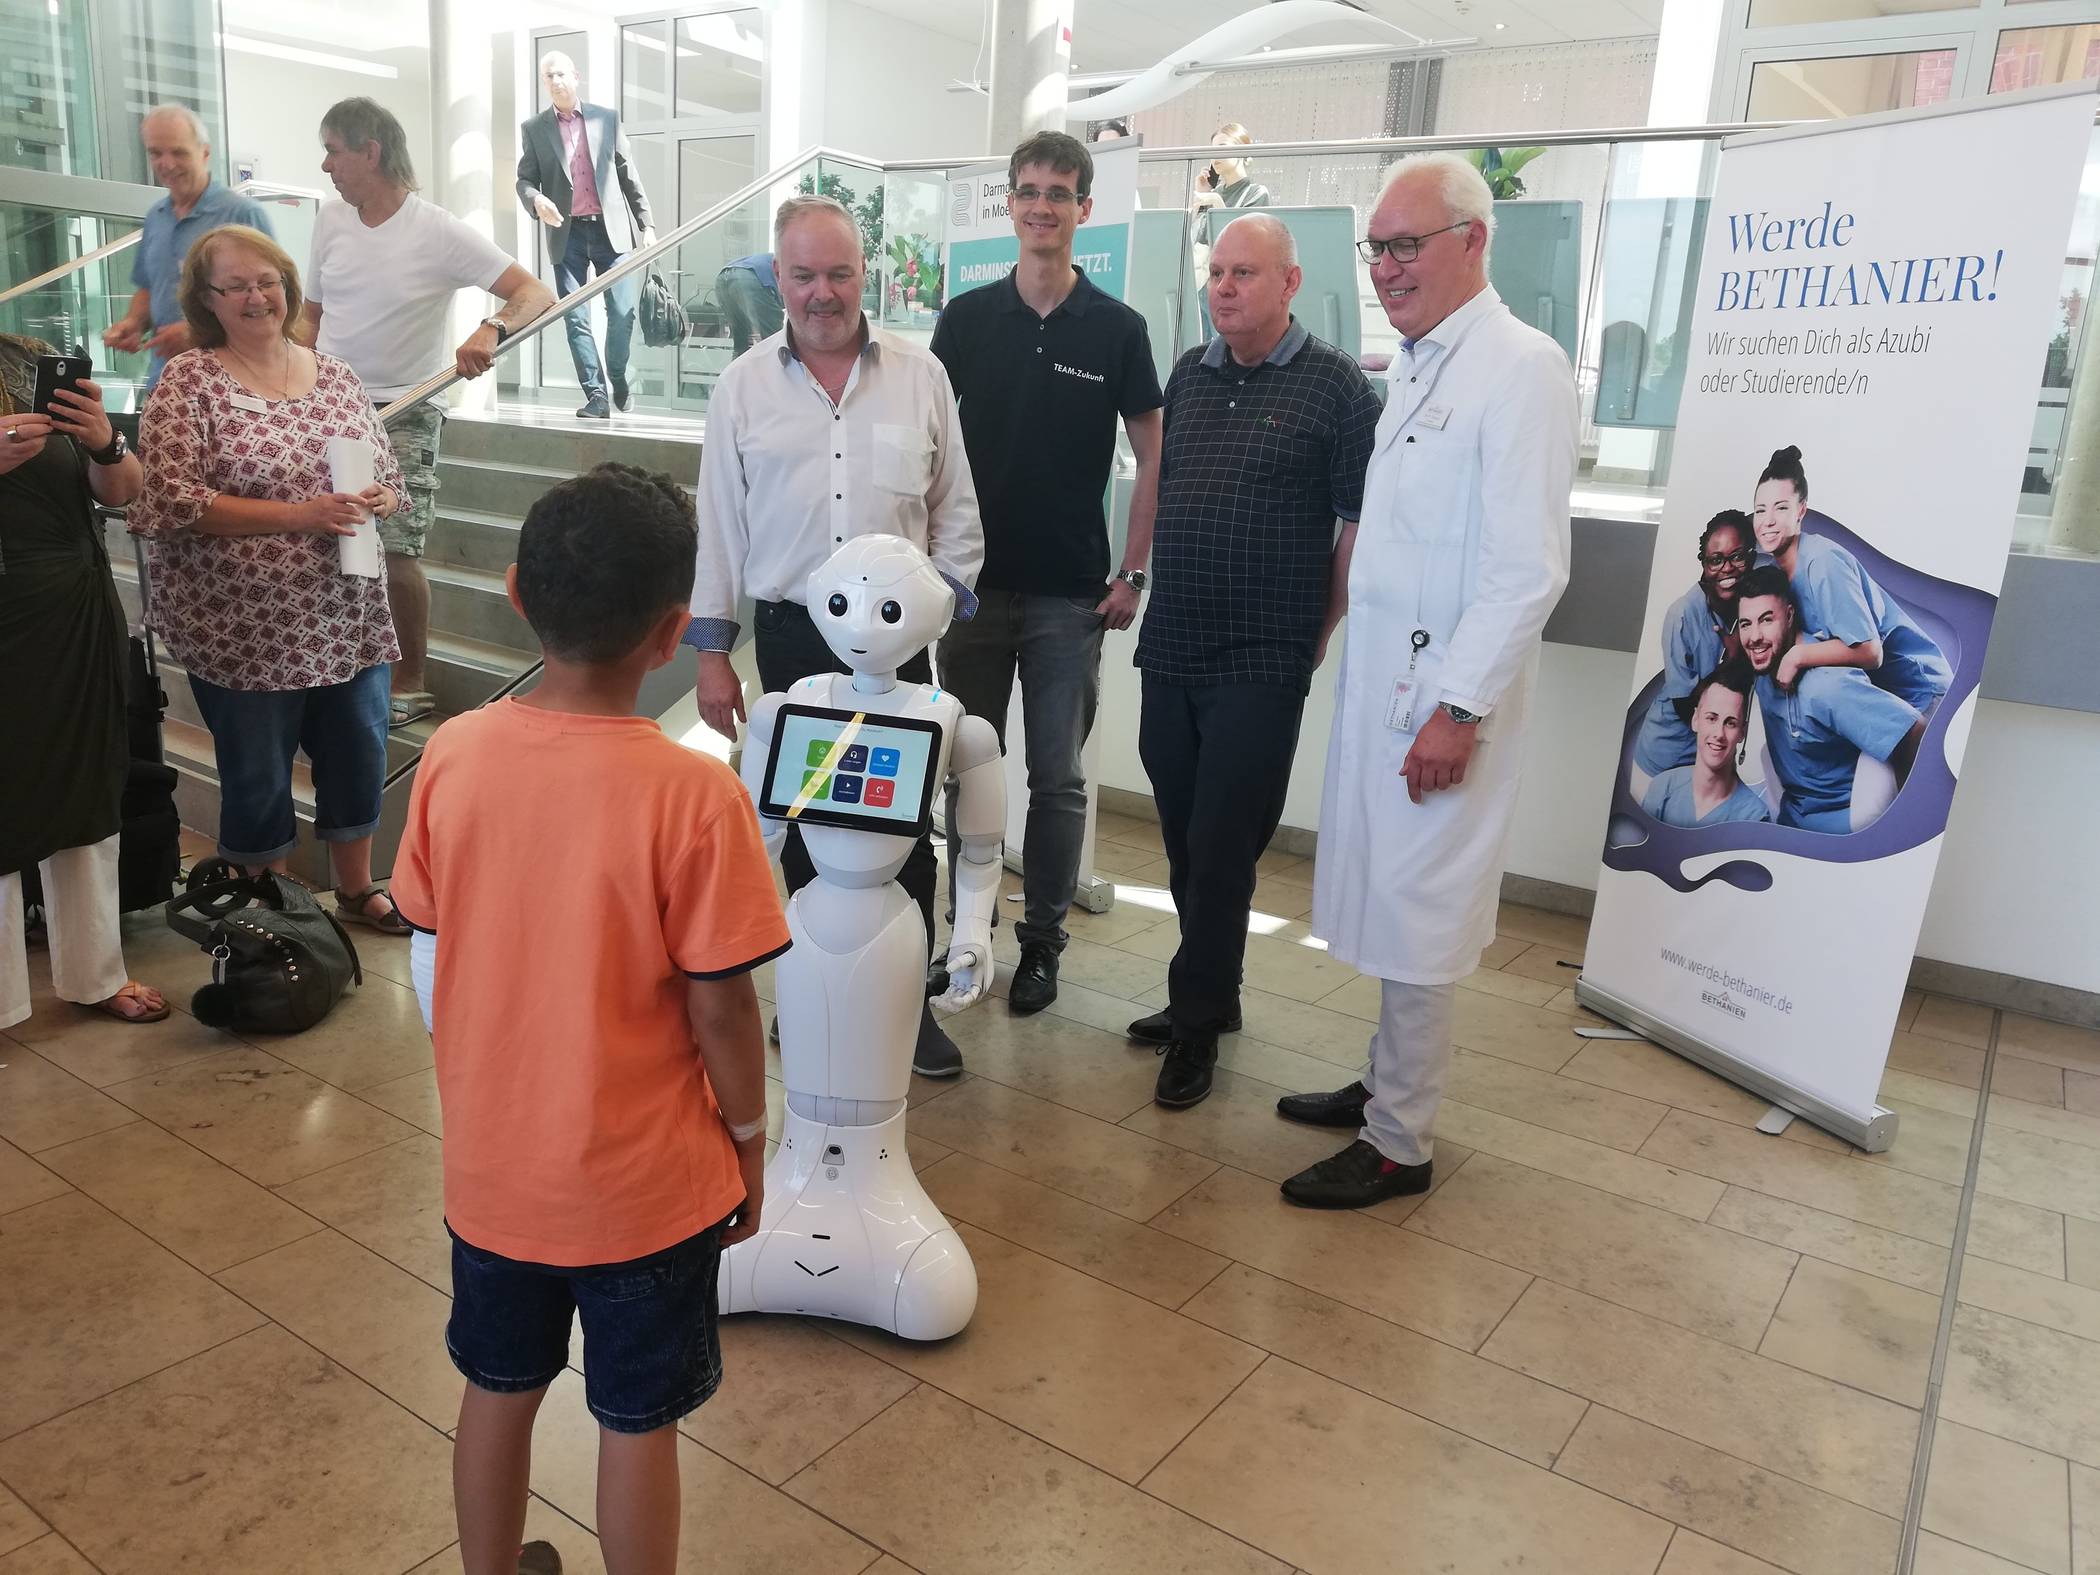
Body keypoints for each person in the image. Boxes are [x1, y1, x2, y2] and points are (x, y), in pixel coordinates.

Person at [393, 464, 787, 1575]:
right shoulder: (694, 795)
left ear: (518, 591)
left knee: (496, 1390)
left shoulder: (454, 753)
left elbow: (431, 941)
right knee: (635, 1421)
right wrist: (749, 1144)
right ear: (672, 634)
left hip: (494, 1174)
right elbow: (723, 1008)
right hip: (644, 1191)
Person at [1278, 153, 1578, 1210]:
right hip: (1390, 691)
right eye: (1379, 248)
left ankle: (1401, 1140)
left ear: (1473, 242)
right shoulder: (1417, 361)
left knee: (1422, 905)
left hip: (1445, 705)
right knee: (1386, 891)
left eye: (1408, 245)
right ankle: (1385, 1084)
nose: (1388, 268)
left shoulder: (1520, 368)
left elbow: (1526, 570)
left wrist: (1459, 710)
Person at [690, 194, 983, 1077]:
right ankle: (818, 983)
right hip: (791, 641)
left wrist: (937, 608)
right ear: (778, 277)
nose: (825, 293)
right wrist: (713, 652)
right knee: (806, 823)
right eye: (806, 274)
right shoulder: (742, 385)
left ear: (867, 274)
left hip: (899, 653)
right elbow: (720, 526)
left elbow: (955, 510)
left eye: (841, 273)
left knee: (907, 826)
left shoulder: (919, 373)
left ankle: (910, 1006)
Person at [1129, 213, 1380, 1110]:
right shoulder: (1189, 376)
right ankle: (1213, 990)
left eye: (1244, 273)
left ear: (1290, 283)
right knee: (1180, 832)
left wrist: (1322, 624)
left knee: (1225, 841)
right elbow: (1162, 485)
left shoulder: (1340, 389)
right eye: (1216, 272)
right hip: (1175, 641)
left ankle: (1195, 1026)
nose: (1223, 288)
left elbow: (1357, 525)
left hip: (1265, 650)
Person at [929, 131, 1163, 1015]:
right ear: (1010, 207)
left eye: (1058, 193)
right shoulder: (966, 319)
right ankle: (967, 932)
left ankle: (1043, 944)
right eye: (1027, 191)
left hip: (1072, 595)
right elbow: (928, 443)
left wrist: (1132, 572)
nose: (1040, 205)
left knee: (1057, 780)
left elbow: (1152, 452)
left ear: (1082, 210)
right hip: (972, 593)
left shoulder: (1117, 328)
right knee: (968, 771)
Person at [131, 225, 411, 933]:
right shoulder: (188, 382)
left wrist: (378, 494)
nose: (257, 296)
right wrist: (299, 515)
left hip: (347, 611)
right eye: (237, 286)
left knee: (358, 748)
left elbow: (387, 474)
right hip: (241, 627)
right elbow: (170, 499)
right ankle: (273, 908)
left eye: (268, 280)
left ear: (287, 284)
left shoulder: (337, 374)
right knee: (258, 770)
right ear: (208, 300)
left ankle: (355, 888)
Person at [303, 96, 556, 730]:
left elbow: (535, 292)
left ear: (371, 151)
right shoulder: (331, 218)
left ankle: (408, 683)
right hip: (327, 401)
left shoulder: (435, 228)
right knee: (330, 538)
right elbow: (310, 316)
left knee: (394, 550)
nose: (326, 164)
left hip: (405, 408)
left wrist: (490, 328)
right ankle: (346, 662)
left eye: (334, 149)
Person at [0, 335, 167, 1029]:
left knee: (91, 780)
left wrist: (104, 442)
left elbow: (125, 493)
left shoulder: (30, 358)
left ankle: (96, 972)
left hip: (78, 604)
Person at [1752, 444, 1950, 713]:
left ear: (1801, 511)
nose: (1769, 520)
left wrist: (1797, 657)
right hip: (1877, 699)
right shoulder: (1776, 575)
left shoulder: (1823, 562)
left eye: (1781, 508)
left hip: (1923, 694)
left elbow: (1870, 652)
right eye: (1761, 510)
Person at [516, 51, 657, 419]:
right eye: (548, 76)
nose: (555, 81)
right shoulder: (534, 128)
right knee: (575, 317)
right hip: (568, 234)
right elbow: (525, 178)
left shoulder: (605, 119)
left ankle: (618, 376)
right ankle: (596, 395)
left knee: (622, 314)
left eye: (561, 73)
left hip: (613, 234)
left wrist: (647, 225)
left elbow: (627, 173)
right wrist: (536, 199)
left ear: (575, 76)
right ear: (543, 82)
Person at [1732, 564, 1924, 833]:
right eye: (1745, 624)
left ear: (1789, 617)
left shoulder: (1827, 686)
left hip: (1840, 830)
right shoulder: (1762, 666)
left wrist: (1897, 829)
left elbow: (1916, 733)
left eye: (1766, 620)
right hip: (1790, 816)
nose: (1754, 637)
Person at [103, 104, 277, 401]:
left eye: (178, 152)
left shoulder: (242, 214)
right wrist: (133, 323)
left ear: (205, 153)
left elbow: (271, 302)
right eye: (156, 153)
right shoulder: (156, 216)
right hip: (165, 382)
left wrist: (196, 330)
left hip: (229, 387)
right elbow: (149, 285)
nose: (166, 164)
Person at [1631, 509, 1752, 776]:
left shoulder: (1754, 604)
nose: (1727, 568)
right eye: (1716, 560)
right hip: (1666, 757)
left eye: (1738, 557)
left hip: (1711, 754)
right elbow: (1685, 706)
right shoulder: (1682, 615)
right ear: (1704, 564)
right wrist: (1732, 664)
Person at [1639, 666, 1770, 828]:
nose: (1719, 734)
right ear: (1695, 719)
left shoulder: (1754, 817)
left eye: (1730, 723)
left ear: (1742, 732)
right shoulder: (1662, 789)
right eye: (1711, 718)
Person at [715, 254, 782, 356]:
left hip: (723, 277)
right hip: (749, 276)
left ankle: (737, 371)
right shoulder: (791, 265)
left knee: (740, 343)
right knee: (775, 340)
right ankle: (776, 370)